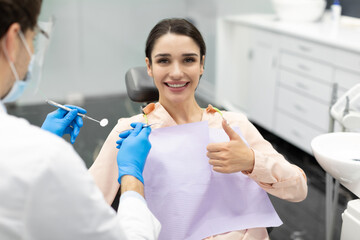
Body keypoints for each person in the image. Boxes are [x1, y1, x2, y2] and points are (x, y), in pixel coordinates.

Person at [90, 18, 308, 239]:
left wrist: (252, 162)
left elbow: (298, 189)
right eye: (164, 61)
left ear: (201, 64)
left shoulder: (233, 124)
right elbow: (86, 207)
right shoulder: (130, 133)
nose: (176, 72)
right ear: (149, 66)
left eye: (188, 60)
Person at [0, 0, 160, 239]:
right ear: (13, 41)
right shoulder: (42, 157)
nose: (33, 52)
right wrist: (131, 179)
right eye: (34, 39)